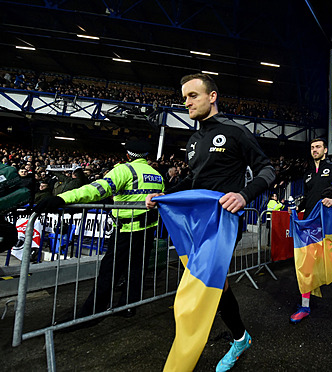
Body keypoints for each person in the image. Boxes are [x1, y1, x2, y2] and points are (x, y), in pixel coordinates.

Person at [145, 73, 275, 372]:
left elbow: (267, 170)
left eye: (192, 95)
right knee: (218, 285)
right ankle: (241, 337)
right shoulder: (193, 141)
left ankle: (188, 352)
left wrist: (244, 195)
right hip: (196, 223)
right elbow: (193, 181)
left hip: (224, 222)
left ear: (212, 96)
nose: (186, 101)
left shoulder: (235, 132)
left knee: (201, 287)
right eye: (185, 96)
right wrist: (164, 195)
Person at [33, 139, 165, 318]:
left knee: (109, 272)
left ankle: (93, 312)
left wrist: (63, 198)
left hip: (126, 231)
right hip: (147, 230)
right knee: (136, 270)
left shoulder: (124, 170)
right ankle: (128, 306)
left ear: (128, 155)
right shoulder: (157, 175)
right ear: (146, 156)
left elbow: (97, 190)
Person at [290, 138, 332, 324]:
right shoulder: (308, 173)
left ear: (325, 150)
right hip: (309, 224)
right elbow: (307, 198)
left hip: (327, 223)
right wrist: (295, 208)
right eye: (312, 147)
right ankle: (304, 306)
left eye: (318, 147)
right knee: (307, 264)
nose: (314, 150)